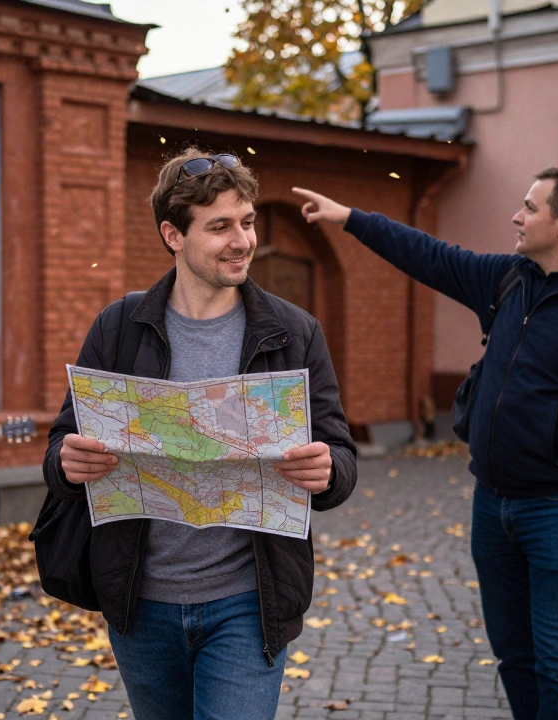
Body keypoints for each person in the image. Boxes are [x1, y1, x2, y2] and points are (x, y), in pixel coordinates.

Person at [293, 169, 558, 719]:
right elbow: (429, 255)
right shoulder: (508, 281)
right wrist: (349, 218)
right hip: (493, 504)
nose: (516, 216)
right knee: (514, 655)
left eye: (529, 208)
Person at [44, 148, 358, 720]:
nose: (242, 240)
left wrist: (329, 469)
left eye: (248, 221)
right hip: (142, 602)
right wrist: (67, 463)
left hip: (247, 602)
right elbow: (62, 443)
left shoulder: (292, 332)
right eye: (220, 226)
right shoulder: (120, 327)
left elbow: (340, 453)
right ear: (173, 235)